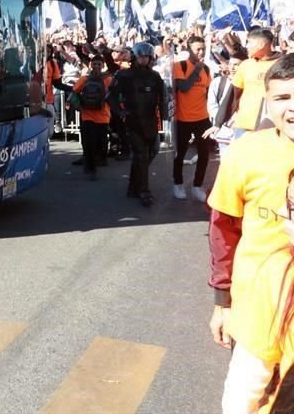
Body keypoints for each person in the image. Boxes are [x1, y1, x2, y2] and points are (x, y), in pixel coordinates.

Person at [208, 55, 294, 411]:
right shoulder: (247, 152)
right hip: (256, 315)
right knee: (241, 404)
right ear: (267, 101)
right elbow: (222, 231)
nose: (292, 109)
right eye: (282, 98)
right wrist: (221, 304)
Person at [109, 42, 167, 206]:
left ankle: (134, 185)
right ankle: (144, 190)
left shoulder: (155, 76)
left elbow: (163, 96)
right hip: (132, 120)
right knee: (141, 154)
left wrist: (165, 114)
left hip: (150, 120)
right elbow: (110, 96)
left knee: (152, 151)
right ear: (135, 57)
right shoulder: (123, 75)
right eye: (141, 56)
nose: (144, 59)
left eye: (147, 56)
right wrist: (120, 112)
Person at [172, 35, 214, 202]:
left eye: (203, 49)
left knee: (204, 154)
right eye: (198, 49)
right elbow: (183, 88)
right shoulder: (180, 66)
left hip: (202, 118)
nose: (201, 52)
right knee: (180, 154)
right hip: (183, 118)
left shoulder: (207, 69)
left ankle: (197, 186)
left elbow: (208, 92)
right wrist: (196, 69)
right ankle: (178, 183)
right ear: (189, 50)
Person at [230, 29, 282, 139]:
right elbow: (233, 95)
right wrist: (219, 122)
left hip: (270, 127)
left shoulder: (282, 64)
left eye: (249, 43)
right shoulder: (245, 65)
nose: (246, 46)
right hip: (243, 126)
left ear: (262, 44)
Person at [72, 55, 112, 181]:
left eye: (99, 64)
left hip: (103, 116)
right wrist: (78, 105)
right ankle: (91, 168)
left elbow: (114, 94)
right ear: (90, 65)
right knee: (89, 143)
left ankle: (96, 163)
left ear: (103, 65)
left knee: (100, 143)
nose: (96, 66)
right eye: (94, 64)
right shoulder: (84, 79)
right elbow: (74, 93)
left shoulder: (108, 80)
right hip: (87, 115)